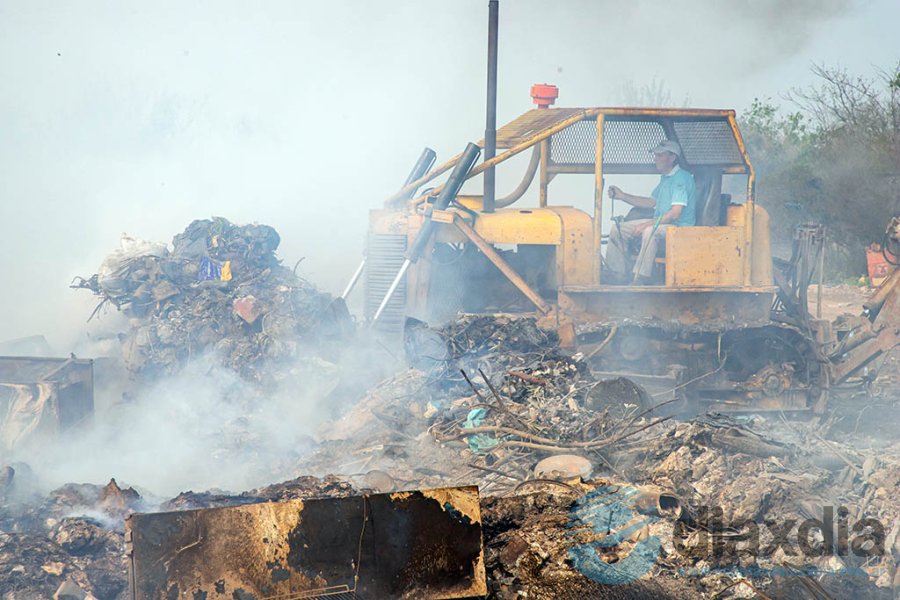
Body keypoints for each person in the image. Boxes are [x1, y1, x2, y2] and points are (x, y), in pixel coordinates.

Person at [605, 140, 696, 285]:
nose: (656, 159)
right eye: (656, 155)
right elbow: (650, 202)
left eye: (660, 155)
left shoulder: (681, 179)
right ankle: (617, 275)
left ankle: (640, 278)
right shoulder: (666, 178)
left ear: (672, 158)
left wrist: (648, 223)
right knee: (618, 228)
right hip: (663, 223)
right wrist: (622, 196)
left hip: (680, 227)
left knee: (649, 231)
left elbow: (675, 214)